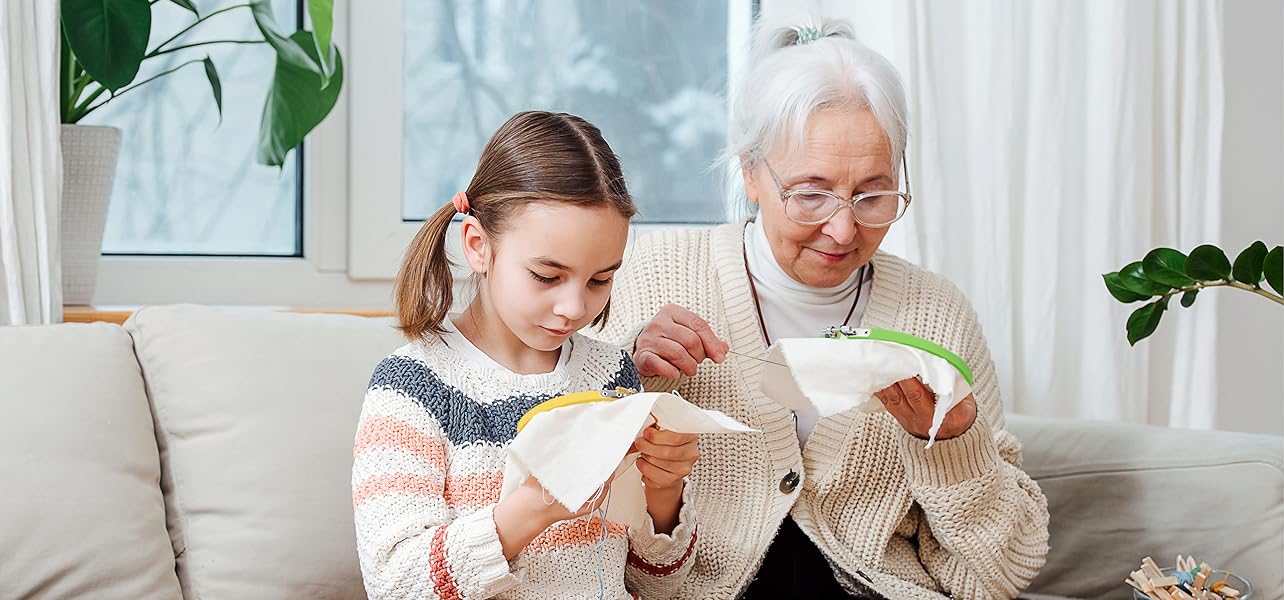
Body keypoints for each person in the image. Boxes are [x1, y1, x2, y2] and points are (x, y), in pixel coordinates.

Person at [595, 19, 1050, 599]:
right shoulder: (648, 276)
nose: (842, 229)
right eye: (810, 194)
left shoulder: (936, 313)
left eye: (873, 194)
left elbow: (996, 577)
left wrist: (955, 446)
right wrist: (624, 374)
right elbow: (571, 526)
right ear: (750, 172)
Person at [352, 111, 701, 600]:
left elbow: (656, 586)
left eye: (600, 279)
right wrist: (535, 507)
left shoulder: (611, 375)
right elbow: (396, 584)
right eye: (546, 275)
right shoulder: (413, 387)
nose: (573, 307)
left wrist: (664, 493)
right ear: (478, 245)